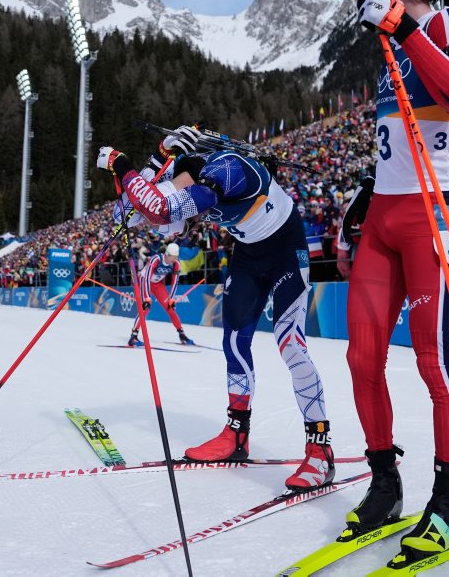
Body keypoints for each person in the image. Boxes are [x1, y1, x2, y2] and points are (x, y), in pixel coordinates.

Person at [336, 0, 449, 562]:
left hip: (433, 217)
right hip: (385, 221)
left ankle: (448, 499)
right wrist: (358, 208)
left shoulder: (447, 20)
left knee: (433, 362)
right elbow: (392, 148)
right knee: (362, 358)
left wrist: (404, 28)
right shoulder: (384, 46)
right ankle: (384, 484)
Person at [95, 127, 334, 493]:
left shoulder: (226, 169)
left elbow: (158, 208)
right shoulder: (187, 181)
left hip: (286, 249)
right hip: (250, 255)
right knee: (235, 343)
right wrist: (158, 157)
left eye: (176, 226)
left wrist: (122, 163)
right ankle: (237, 435)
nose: (176, 232)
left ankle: (320, 448)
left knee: (290, 345)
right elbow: (126, 216)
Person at [127, 242, 193, 346]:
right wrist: (147, 298)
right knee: (145, 308)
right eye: (174, 257)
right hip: (144, 281)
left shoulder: (176, 263)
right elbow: (146, 278)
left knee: (170, 308)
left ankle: (182, 335)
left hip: (157, 284)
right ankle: (133, 336)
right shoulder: (156, 259)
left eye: (176, 257)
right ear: (168, 254)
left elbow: (175, 281)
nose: (175, 259)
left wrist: (171, 298)